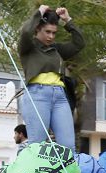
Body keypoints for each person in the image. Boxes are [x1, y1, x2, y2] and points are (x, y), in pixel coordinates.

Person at [17, 6, 84, 148]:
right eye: (47, 32)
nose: (51, 36)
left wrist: (68, 20)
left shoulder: (56, 49)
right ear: (37, 29)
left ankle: (67, 171)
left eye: (54, 33)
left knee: (68, 147)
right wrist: (39, 13)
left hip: (60, 96)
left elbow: (79, 43)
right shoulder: (27, 47)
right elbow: (25, 32)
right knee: (37, 146)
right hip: (37, 94)